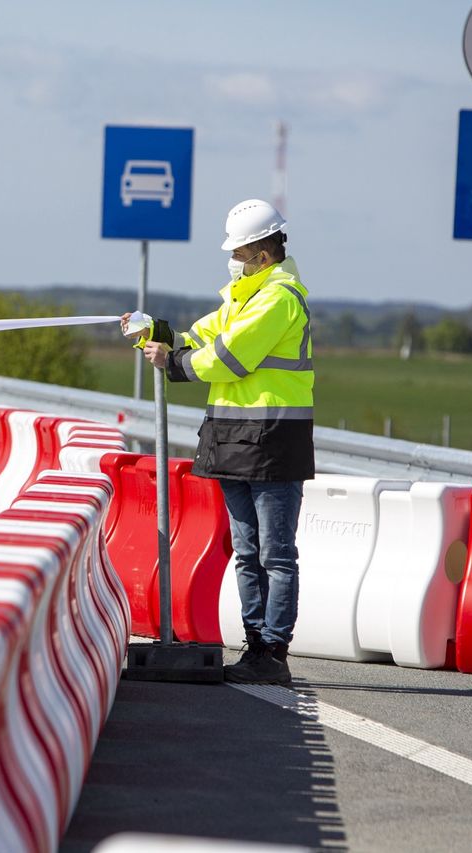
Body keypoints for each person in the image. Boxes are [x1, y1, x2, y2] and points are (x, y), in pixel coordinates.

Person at [121, 198, 314, 685]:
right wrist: (154, 332)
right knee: (247, 549)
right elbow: (197, 334)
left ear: (263, 253)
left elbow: (229, 358)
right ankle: (255, 646)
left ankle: (272, 652)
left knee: (275, 552)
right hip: (234, 439)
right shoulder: (240, 297)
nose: (235, 260)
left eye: (241, 252)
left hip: (273, 440)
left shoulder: (278, 299)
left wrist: (175, 363)